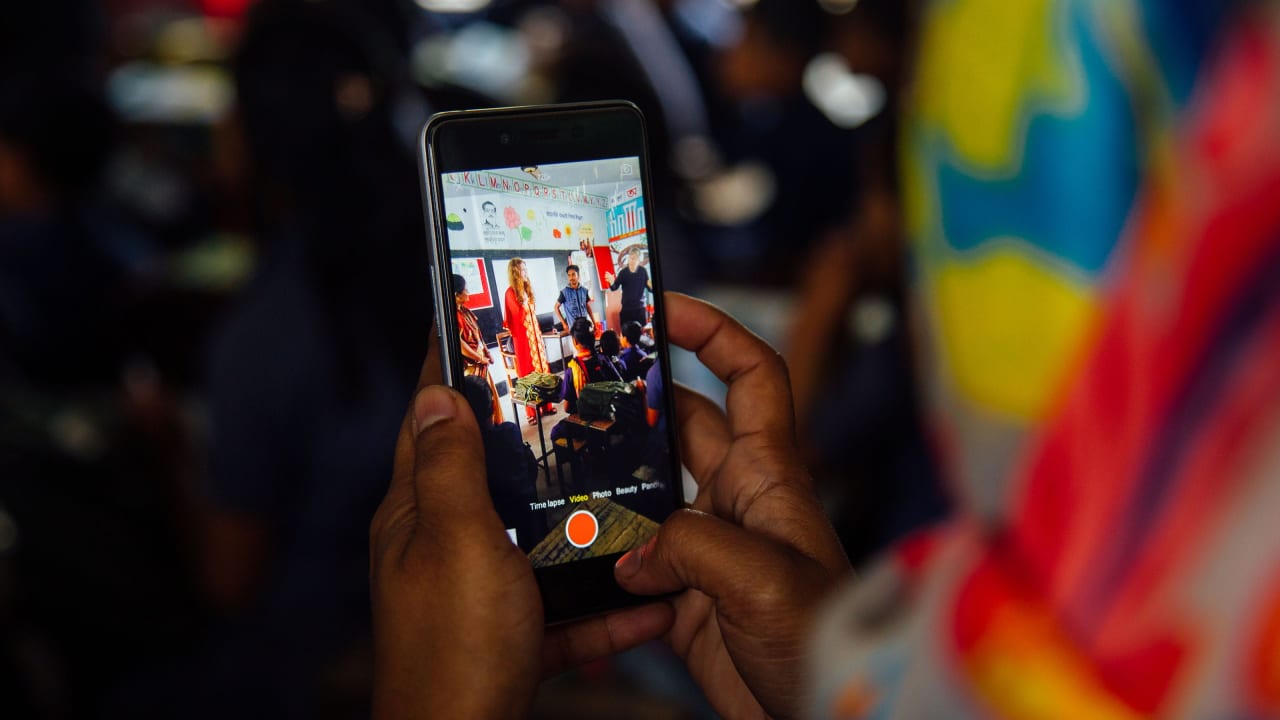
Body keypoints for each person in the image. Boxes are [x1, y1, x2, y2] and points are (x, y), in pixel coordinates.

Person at [502, 257, 551, 423]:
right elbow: (517, 315)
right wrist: (522, 298)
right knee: (527, 373)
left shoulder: (527, 289)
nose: (525, 273)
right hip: (523, 340)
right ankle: (531, 412)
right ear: (515, 272)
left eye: (525, 269)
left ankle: (547, 406)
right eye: (522, 270)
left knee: (542, 368)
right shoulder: (511, 292)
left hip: (535, 337)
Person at [454, 273, 501, 426]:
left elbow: (478, 336)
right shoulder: (455, 316)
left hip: (482, 362)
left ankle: (495, 427)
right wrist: (480, 358)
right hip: (472, 367)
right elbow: (460, 345)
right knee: (480, 402)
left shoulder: (465, 312)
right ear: (457, 295)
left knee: (490, 398)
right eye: (465, 290)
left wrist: (487, 352)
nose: (468, 292)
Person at [604, 248, 651, 328]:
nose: (632, 260)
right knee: (626, 334)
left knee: (642, 334)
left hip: (639, 309)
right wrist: (611, 282)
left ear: (638, 260)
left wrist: (651, 285)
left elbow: (650, 288)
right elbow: (614, 287)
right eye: (630, 258)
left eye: (634, 258)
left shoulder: (643, 271)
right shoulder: (623, 272)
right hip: (626, 309)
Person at [554, 264, 594, 332]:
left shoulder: (584, 291)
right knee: (577, 342)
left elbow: (587, 306)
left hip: (585, 325)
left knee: (587, 342)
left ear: (578, 276)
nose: (571, 278)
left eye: (573, 274)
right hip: (573, 328)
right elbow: (556, 307)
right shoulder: (564, 292)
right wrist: (564, 323)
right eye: (569, 275)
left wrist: (594, 322)